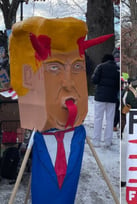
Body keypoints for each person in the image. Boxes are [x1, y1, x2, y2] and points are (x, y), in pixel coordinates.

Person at [9, 16, 113, 204]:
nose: (68, 83)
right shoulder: (41, 136)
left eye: (77, 67)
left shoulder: (78, 135)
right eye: (54, 67)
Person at [92, 54, 120, 148]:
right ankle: (108, 141)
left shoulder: (100, 67)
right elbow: (119, 84)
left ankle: (96, 140)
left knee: (98, 118)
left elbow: (94, 80)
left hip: (100, 96)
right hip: (112, 98)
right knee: (110, 120)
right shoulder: (117, 69)